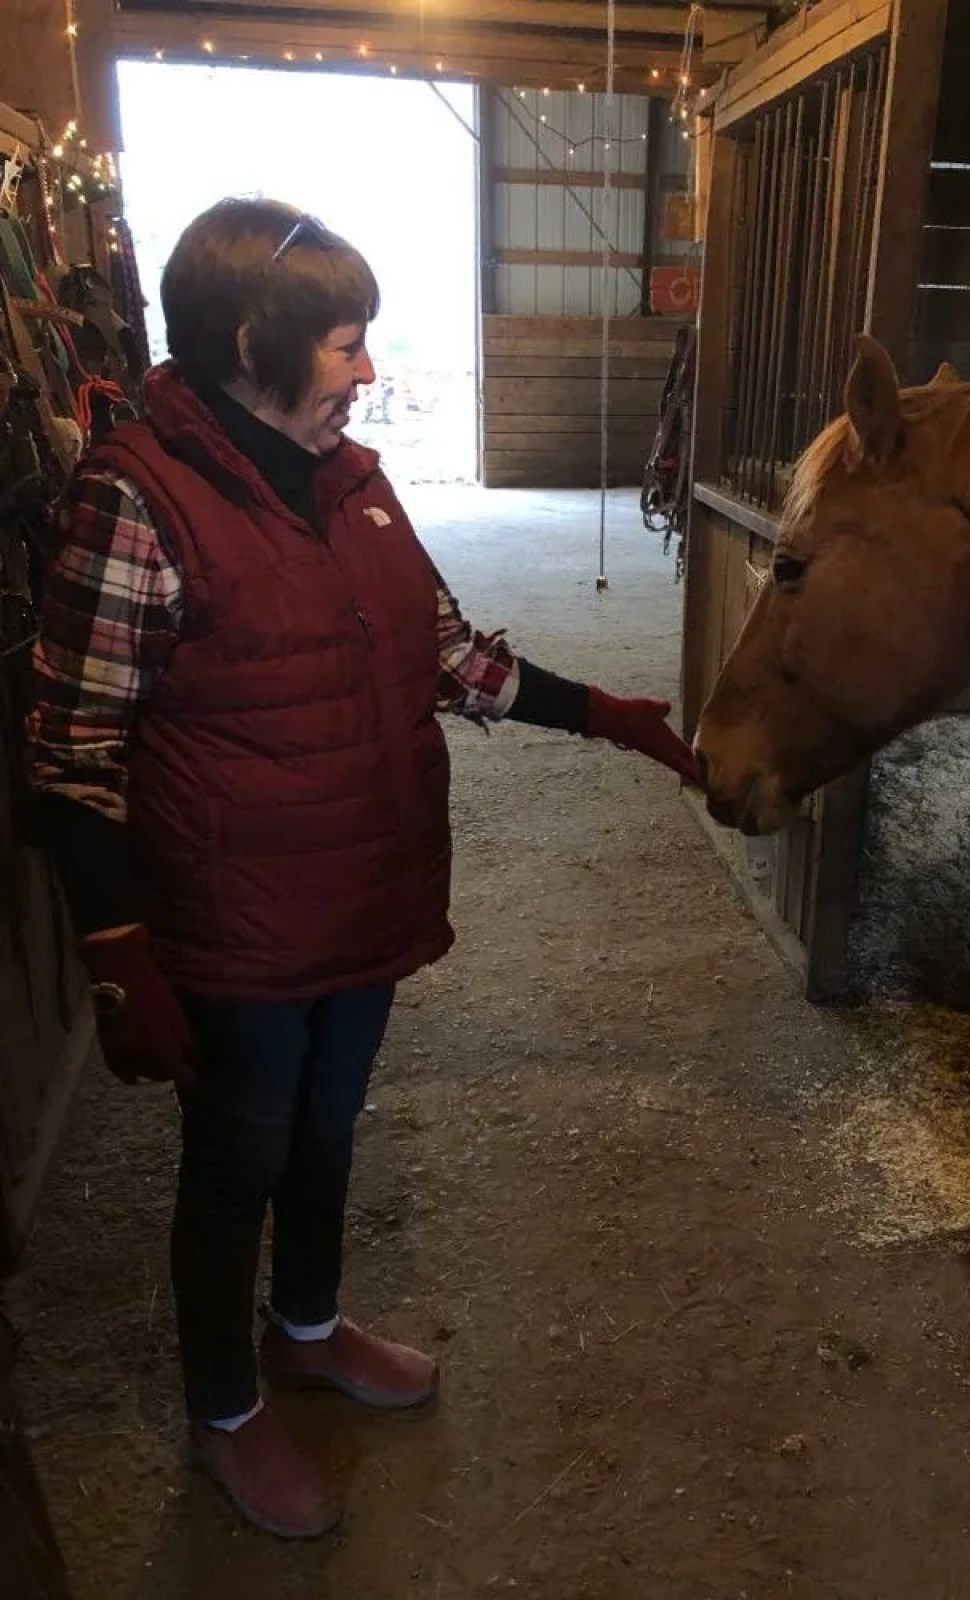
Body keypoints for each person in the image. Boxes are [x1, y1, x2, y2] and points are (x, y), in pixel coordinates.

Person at [27, 198, 700, 1541]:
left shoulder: (355, 478)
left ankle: (311, 1327)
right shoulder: (134, 500)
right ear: (245, 345)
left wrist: (606, 715)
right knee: (237, 1159)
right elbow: (71, 745)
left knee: (329, 1131)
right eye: (345, 345)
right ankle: (224, 1414)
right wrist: (115, 954)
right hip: (237, 929)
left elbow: (445, 652)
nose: (368, 373)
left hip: (361, 899)